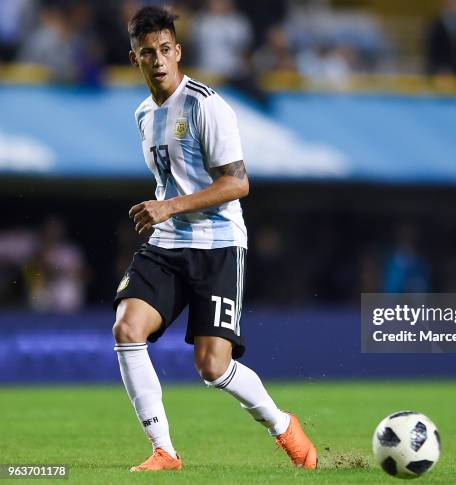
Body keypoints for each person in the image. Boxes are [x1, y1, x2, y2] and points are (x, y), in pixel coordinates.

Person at [112, 6, 317, 472]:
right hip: (167, 244)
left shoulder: (206, 105)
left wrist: (168, 206)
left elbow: (237, 184)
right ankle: (164, 450)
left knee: (212, 366)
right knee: (126, 329)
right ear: (135, 59)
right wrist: (166, 212)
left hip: (218, 243)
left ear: (178, 51)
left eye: (165, 50)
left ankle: (283, 425)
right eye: (148, 53)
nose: (159, 60)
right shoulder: (144, 114)